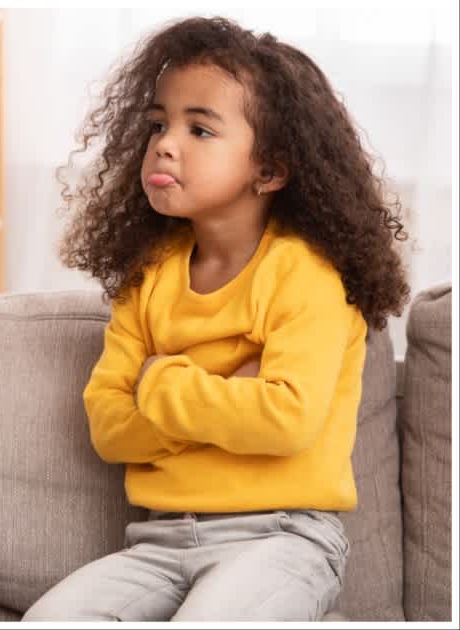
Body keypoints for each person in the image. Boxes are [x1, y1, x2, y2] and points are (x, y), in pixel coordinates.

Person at [22, 17, 409, 621]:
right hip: (157, 543)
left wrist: (158, 383)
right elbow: (109, 429)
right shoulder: (146, 275)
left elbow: (285, 421)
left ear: (270, 170)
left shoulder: (304, 273)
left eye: (200, 128)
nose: (165, 143)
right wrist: (227, 392)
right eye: (158, 124)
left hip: (284, 540)